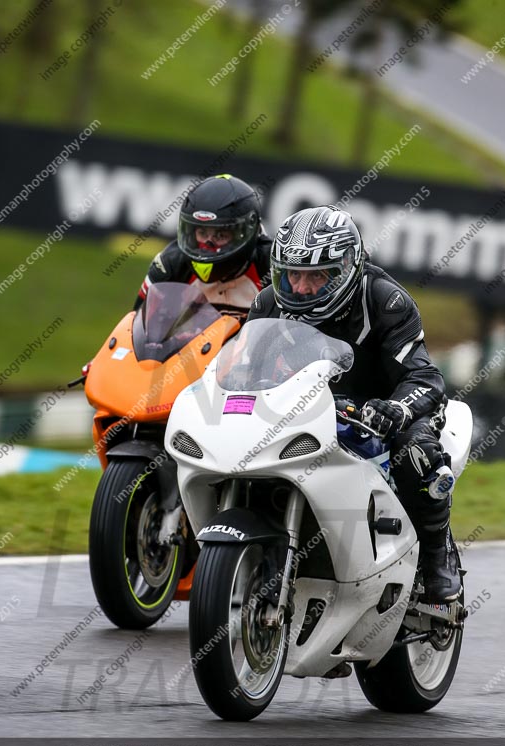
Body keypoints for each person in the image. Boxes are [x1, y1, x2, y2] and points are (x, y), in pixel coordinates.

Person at [248, 205, 461, 604]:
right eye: (293, 274)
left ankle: (436, 556)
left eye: (316, 276)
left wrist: (395, 409)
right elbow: (246, 371)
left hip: (384, 407)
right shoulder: (266, 305)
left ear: (347, 268)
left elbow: (424, 377)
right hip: (306, 409)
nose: (302, 287)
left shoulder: (386, 301)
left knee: (416, 453)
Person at [133, 174, 272, 321]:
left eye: (220, 235)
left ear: (245, 233)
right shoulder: (170, 265)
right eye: (202, 232)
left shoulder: (273, 269)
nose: (207, 245)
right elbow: (138, 330)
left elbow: (292, 334)